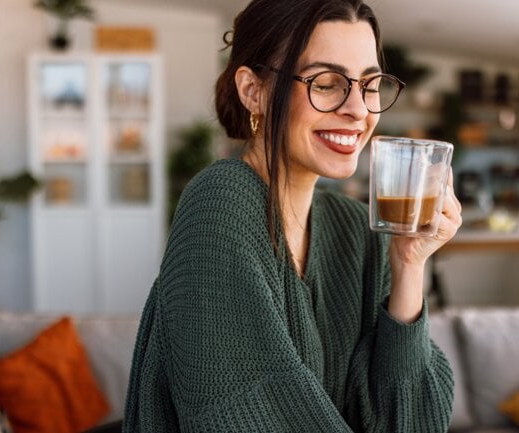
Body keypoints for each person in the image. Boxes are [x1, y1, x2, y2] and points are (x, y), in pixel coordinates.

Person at [122, 0, 462, 431]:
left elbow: (410, 422)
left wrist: (410, 264)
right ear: (253, 90)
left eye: (370, 85)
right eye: (326, 82)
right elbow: (245, 415)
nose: (358, 110)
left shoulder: (358, 229)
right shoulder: (220, 203)